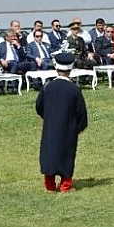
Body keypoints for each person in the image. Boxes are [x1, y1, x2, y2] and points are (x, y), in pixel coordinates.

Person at [36, 53, 88, 193]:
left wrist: (48, 117)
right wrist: (78, 127)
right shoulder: (74, 89)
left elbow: (39, 106)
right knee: (66, 153)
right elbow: (81, 112)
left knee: (49, 152)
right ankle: (65, 185)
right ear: (70, 70)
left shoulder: (48, 87)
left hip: (50, 126)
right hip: (69, 128)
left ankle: (50, 185)